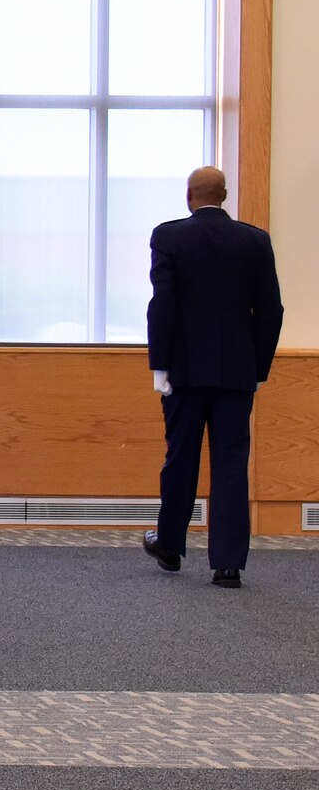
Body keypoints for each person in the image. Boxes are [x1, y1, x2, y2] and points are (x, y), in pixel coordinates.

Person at [142, 166, 283, 589]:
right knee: (231, 464)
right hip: (236, 374)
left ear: (190, 196)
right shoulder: (255, 241)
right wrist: (257, 369)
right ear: (224, 195)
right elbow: (271, 311)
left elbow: (161, 306)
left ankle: (169, 545)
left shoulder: (168, 237)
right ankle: (227, 565)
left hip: (184, 373)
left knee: (180, 458)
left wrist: (160, 366)